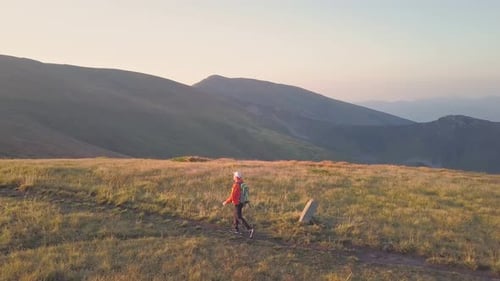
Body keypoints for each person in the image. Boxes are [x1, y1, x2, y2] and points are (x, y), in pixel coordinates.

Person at [222, 171, 254, 238]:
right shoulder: (242, 183)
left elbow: (232, 196)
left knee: (238, 216)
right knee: (235, 215)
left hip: (237, 203)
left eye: (234, 176)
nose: (233, 177)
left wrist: (226, 202)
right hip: (241, 202)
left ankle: (249, 229)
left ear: (236, 177)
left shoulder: (236, 185)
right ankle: (236, 229)